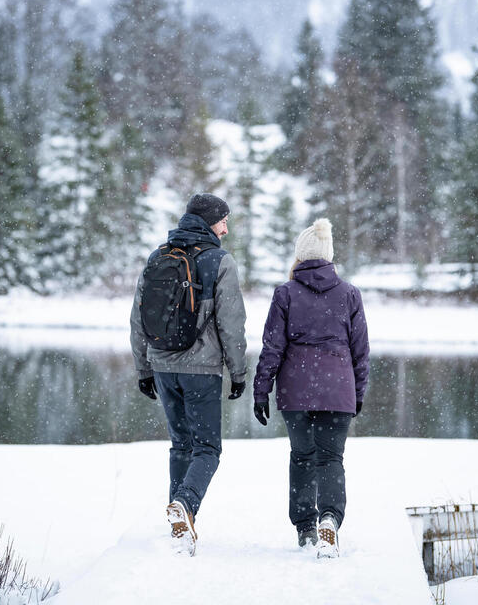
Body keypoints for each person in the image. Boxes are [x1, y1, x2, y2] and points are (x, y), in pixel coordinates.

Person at [130, 193, 247, 556]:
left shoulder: (158, 257)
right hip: (201, 370)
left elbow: (137, 318)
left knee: (181, 445)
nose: (226, 228)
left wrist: (143, 368)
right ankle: (185, 506)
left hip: (163, 366)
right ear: (210, 221)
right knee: (208, 448)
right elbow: (231, 324)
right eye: (223, 221)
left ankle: (178, 524)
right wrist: (238, 372)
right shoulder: (219, 261)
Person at [253, 217, 370, 559]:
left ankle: (306, 528)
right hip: (338, 390)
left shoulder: (285, 293)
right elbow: (360, 350)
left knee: (302, 457)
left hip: (296, 391)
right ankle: (330, 519)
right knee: (332, 458)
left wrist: (262, 391)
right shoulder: (350, 294)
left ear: (300, 257)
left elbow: (272, 347)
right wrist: (358, 392)